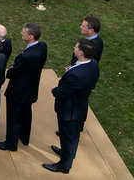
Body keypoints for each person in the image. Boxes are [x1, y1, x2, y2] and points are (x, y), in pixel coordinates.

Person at [43, 38, 100, 174]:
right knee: (71, 136)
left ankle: (64, 165)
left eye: (75, 47)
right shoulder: (93, 64)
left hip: (69, 111)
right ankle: (67, 153)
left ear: (80, 52)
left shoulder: (76, 75)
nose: (73, 49)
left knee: (68, 137)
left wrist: (54, 90)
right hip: (80, 106)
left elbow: (61, 93)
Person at [0, 23, 48, 152]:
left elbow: (12, 73)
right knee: (26, 113)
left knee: (13, 117)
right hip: (31, 89)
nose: (21, 33)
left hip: (18, 91)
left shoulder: (25, 56)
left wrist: (10, 70)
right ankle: (24, 137)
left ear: (31, 36)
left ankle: (10, 143)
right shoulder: (42, 46)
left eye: (23, 32)